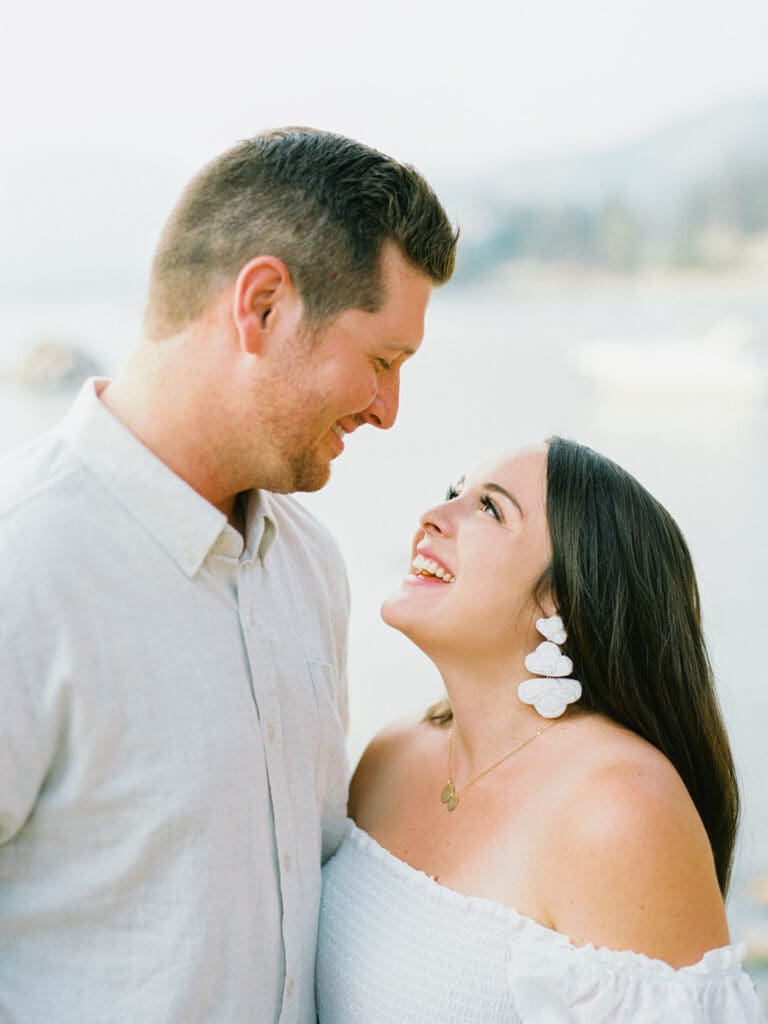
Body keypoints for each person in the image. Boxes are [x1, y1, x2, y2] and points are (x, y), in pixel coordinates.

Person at [0, 128, 457, 1024]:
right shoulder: (24, 572)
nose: (388, 411)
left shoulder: (312, 568)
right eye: (381, 362)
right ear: (264, 306)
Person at [316, 438, 766, 1022]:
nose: (433, 515)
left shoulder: (620, 807)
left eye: (489, 509)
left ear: (559, 598)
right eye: (454, 494)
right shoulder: (393, 752)